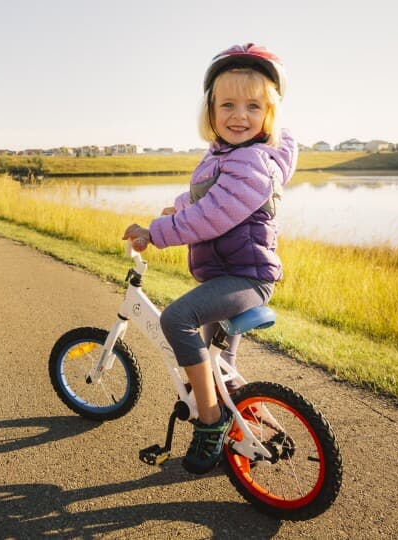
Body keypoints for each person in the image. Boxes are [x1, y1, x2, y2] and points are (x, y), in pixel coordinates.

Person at [122, 43, 297, 475]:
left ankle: (210, 421)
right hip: (228, 275)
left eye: (253, 106)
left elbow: (214, 215)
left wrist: (156, 234)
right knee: (221, 365)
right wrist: (177, 207)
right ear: (211, 110)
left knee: (176, 320)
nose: (239, 115)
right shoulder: (224, 154)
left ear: (269, 115)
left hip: (244, 278)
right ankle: (267, 434)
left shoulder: (253, 161)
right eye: (228, 104)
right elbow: (205, 195)